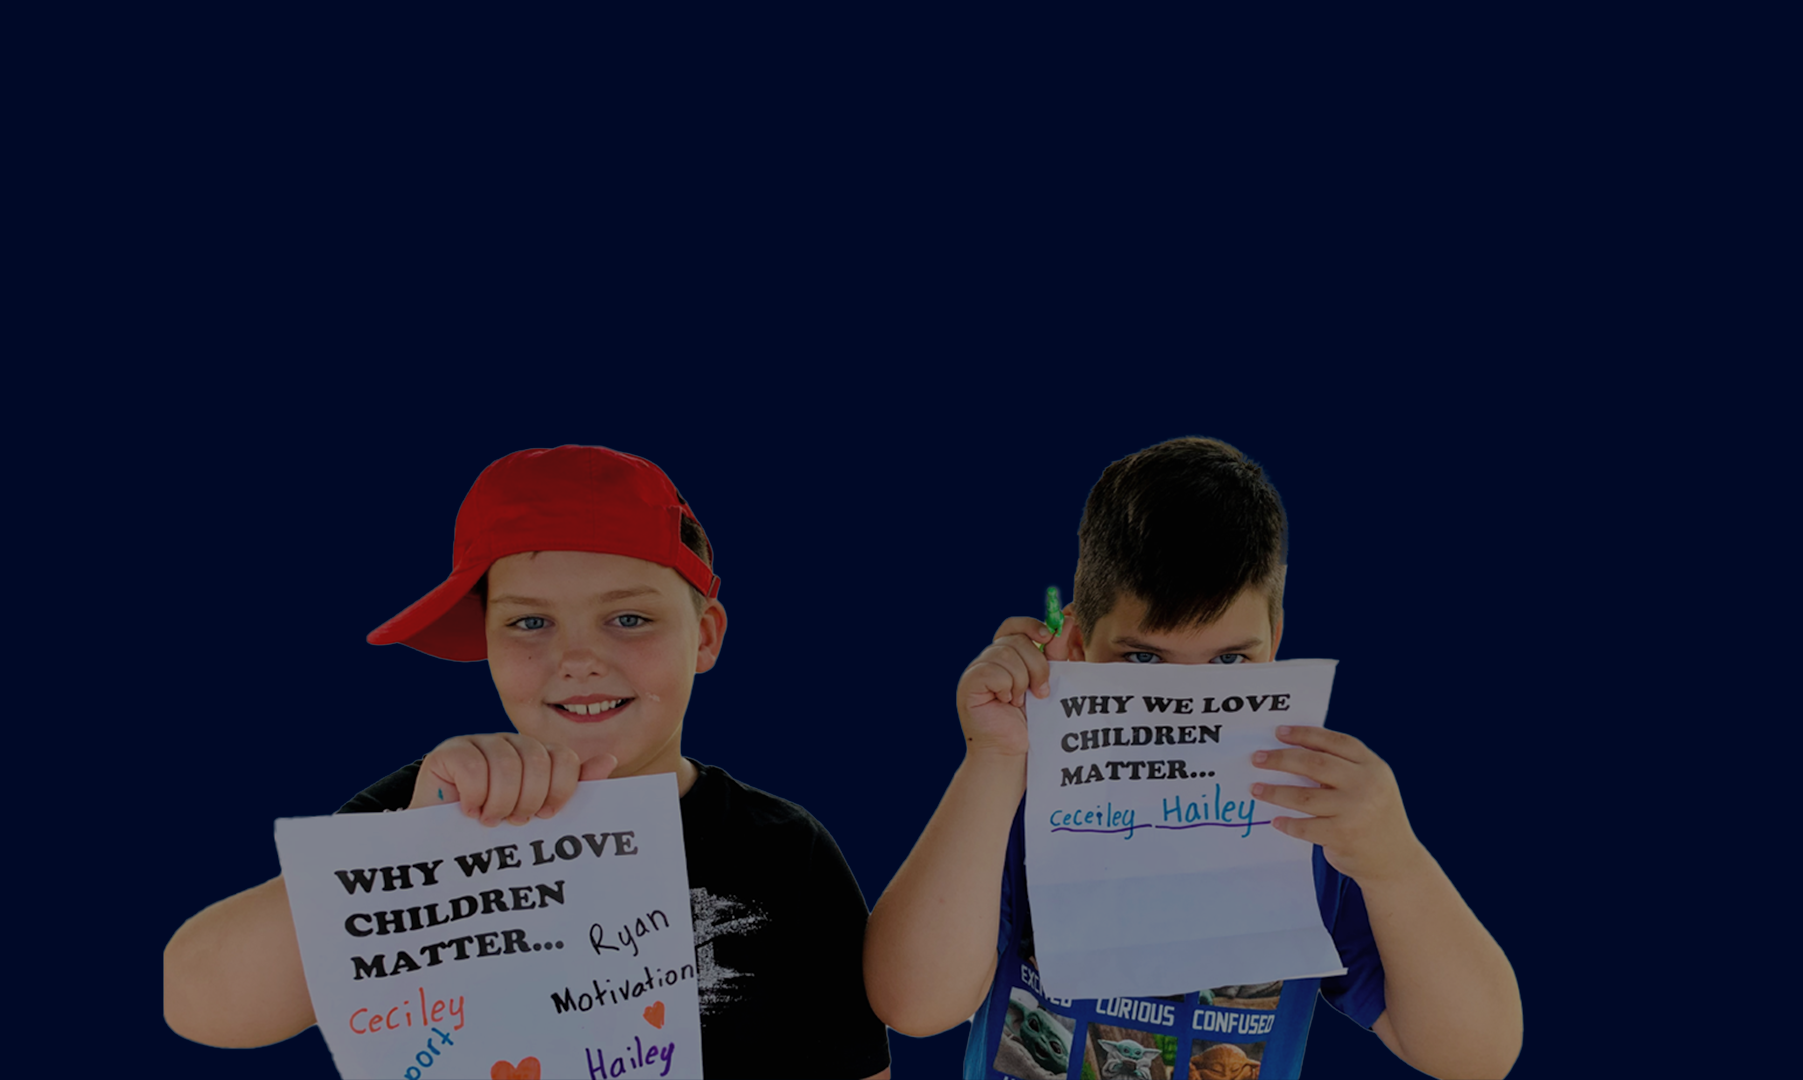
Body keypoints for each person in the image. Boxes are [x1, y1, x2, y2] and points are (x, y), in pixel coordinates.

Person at [164, 445, 892, 1080]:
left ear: (703, 638)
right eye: (530, 621)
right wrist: (410, 847)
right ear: (486, 637)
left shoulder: (783, 850)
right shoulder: (426, 806)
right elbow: (199, 1001)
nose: (577, 659)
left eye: (629, 617)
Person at [862, 436, 1520, 1080]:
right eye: (1144, 659)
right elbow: (913, 1007)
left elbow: (1476, 1056)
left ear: (1275, 641)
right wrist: (996, 759)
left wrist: (1395, 863)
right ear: (1080, 641)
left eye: (1230, 660)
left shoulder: (1312, 819)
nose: (1189, 699)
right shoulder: (1022, 791)